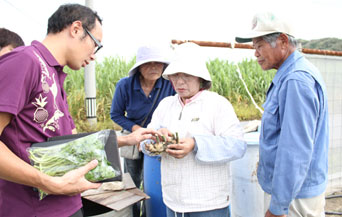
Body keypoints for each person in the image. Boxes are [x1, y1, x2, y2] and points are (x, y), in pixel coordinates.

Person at [0, 4, 158, 217]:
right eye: (96, 44)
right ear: (76, 29)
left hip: (66, 202)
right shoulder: (25, 61)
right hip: (34, 208)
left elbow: (68, 141)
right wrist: (48, 183)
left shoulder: (53, 74)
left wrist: (127, 139)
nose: (94, 55)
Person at [235, 12, 329, 217]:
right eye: (254, 47)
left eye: (260, 46)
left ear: (283, 41)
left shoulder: (296, 80)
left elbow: (295, 151)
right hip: (294, 192)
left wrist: (278, 207)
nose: (255, 53)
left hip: (295, 197)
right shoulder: (292, 73)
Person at [141, 42, 247, 217]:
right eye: (175, 76)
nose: (179, 82)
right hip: (173, 200)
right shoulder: (166, 105)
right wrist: (156, 140)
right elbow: (145, 142)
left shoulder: (217, 104)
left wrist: (195, 144)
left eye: (187, 76)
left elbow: (237, 146)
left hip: (208, 203)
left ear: (200, 78)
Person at [110, 44, 176, 217]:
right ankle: (132, 213)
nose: (153, 67)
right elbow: (116, 114)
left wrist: (160, 131)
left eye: (158, 63)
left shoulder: (170, 85)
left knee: (154, 184)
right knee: (132, 183)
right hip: (133, 139)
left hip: (159, 140)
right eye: (148, 63)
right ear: (139, 67)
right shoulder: (125, 85)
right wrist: (137, 130)